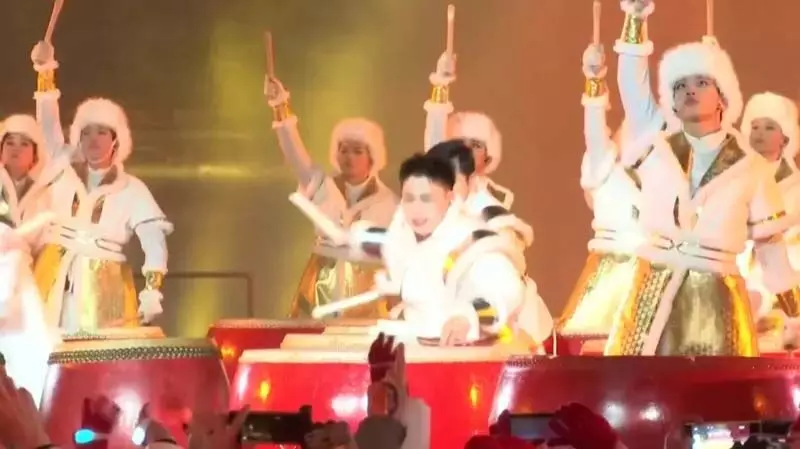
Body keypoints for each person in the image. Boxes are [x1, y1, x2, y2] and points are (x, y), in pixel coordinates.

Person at [604, 37, 800, 356]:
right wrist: (635, 21)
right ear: (672, 102)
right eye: (680, 85)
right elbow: (632, 87)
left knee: (720, 385)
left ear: (722, 96)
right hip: (651, 297)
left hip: (717, 303)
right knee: (641, 381)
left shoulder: (752, 167)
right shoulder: (656, 148)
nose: (690, 90)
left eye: (701, 82)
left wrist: (795, 311)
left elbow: (771, 248)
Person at [30, 40, 173, 333]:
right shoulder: (62, 166)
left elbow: (153, 241)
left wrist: (152, 290)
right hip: (53, 275)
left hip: (106, 284)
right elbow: (47, 124)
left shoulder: (132, 189)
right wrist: (45, 70)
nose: (93, 139)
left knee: (100, 351)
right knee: (42, 345)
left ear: (116, 140)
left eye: (102, 133)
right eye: (87, 132)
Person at [264, 75, 398, 319]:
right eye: (343, 150)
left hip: (365, 287)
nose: (348, 157)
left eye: (357, 151)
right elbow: (295, 155)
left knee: (362, 341)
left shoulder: (388, 202)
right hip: (321, 281)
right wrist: (280, 106)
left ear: (372, 157)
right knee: (313, 337)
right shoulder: (320, 184)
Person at [376, 153, 532, 345]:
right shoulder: (400, 236)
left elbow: (506, 290)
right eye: (409, 199)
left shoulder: (469, 239)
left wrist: (468, 317)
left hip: (466, 351)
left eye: (426, 199)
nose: (416, 209)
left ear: (448, 197)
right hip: (414, 347)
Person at [558, 42, 646, 336]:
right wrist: (594, 82)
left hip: (651, 279)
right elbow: (594, 135)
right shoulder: (606, 170)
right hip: (608, 278)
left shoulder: (668, 181)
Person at [737, 93, 800, 337]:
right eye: (755, 127)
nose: (760, 133)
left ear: (785, 137)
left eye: (769, 127)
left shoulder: (795, 187)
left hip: (785, 272)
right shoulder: (730, 180)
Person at [423, 51, 513, 211]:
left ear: (488, 157)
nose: (466, 150)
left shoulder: (494, 202)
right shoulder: (436, 185)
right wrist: (441, 83)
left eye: (476, 145)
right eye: (458, 143)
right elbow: (435, 136)